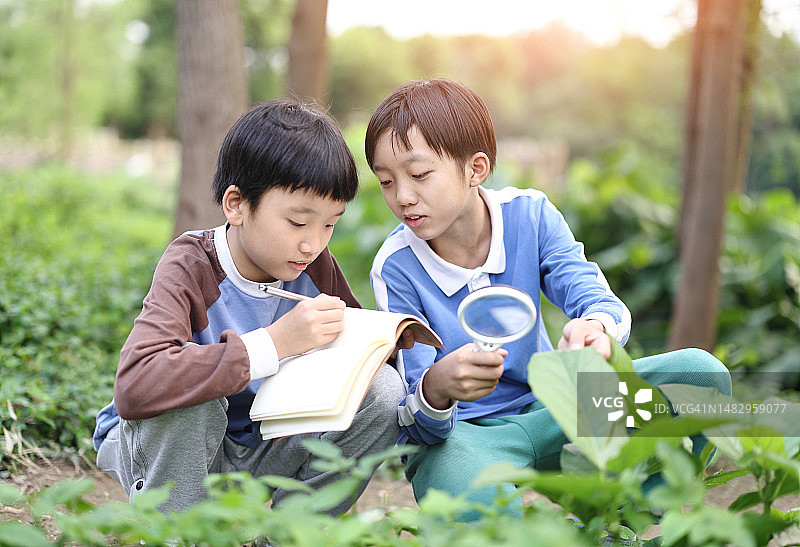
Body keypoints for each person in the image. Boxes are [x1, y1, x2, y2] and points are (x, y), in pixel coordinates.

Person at [364, 78, 731, 519]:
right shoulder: (396, 266)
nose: (402, 197)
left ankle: (620, 520)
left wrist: (594, 328)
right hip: (463, 438)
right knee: (469, 500)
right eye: (386, 182)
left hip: (558, 408)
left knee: (698, 378)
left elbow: (592, 294)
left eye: (420, 174)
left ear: (476, 168)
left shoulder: (530, 215)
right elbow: (415, 415)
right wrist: (439, 387)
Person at [93, 99, 405, 516]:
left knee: (383, 390)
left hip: (258, 447)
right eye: (298, 222)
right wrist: (275, 343)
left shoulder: (313, 267)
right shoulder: (192, 264)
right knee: (192, 390)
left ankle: (290, 534)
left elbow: (357, 372)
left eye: (330, 223)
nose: (313, 243)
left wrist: (383, 345)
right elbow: (136, 385)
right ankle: (181, 536)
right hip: (172, 451)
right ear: (236, 205)